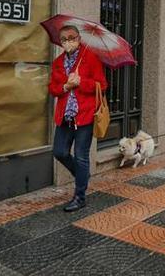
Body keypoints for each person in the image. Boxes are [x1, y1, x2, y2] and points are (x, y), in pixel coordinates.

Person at [48, 25, 107, 212]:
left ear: (79, 39)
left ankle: (79, 197)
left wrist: (81, 82)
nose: (68, 42)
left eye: (71, 38)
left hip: (85, 116)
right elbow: (52, 88)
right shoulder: (58, 62)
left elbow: (102, 85)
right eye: (64, 39)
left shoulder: (90, 58)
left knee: (81, 156)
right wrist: (66, 86)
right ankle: (83, 175)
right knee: (60, 152)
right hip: (65, 117)